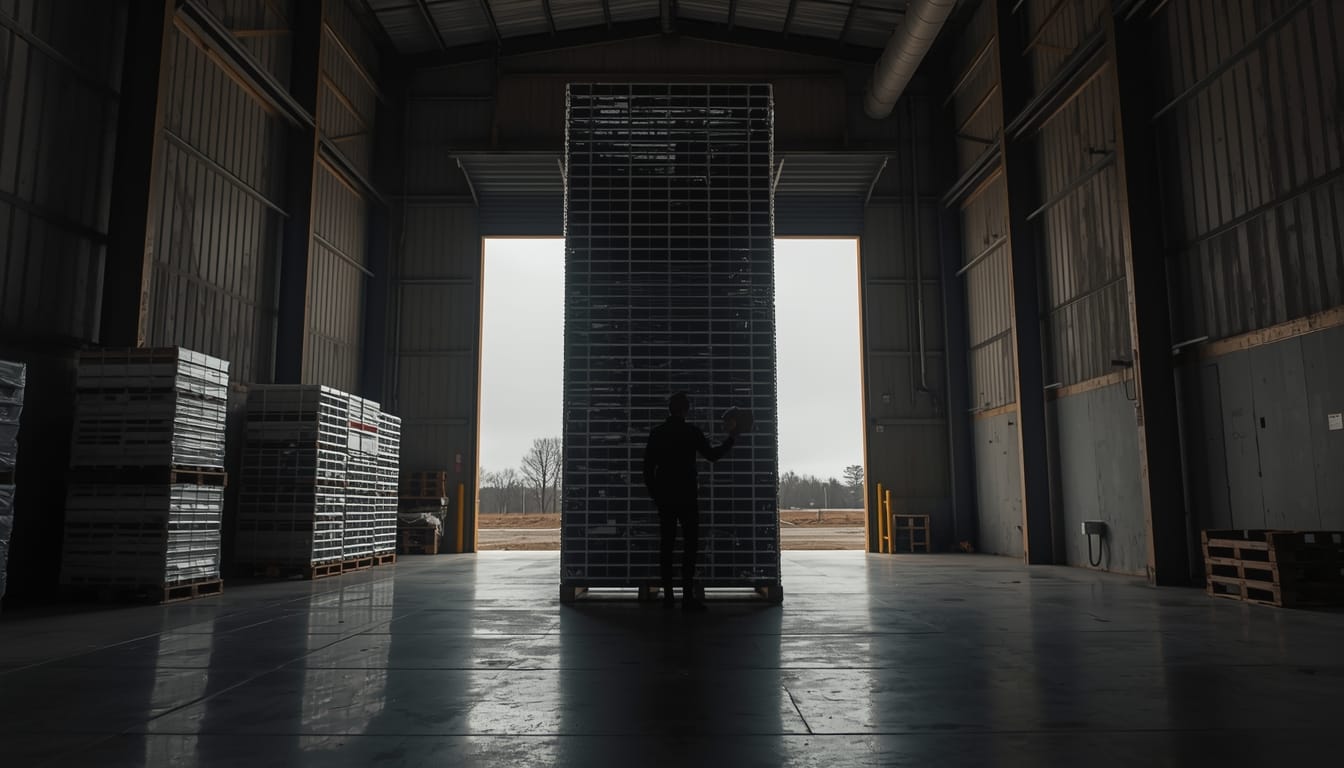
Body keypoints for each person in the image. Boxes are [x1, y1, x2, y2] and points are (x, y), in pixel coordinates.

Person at [642, 392, 739, 611]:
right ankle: (687, 596)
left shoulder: (657, 434)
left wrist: (656, 495)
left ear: (670, 409)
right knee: (690, 546)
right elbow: (712, 456)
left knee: (666, 546)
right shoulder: (691, 432)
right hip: (687, 497)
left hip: (665, 497)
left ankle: (668, 597)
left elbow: (647, 469)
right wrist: (731, 438)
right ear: (686, 410)